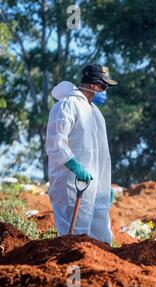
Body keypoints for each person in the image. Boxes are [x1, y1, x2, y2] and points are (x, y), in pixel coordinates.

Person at [46, 64, 118, 244]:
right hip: (71, 183)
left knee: (101, 236)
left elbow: (99, 154)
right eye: (103, 86)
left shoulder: (95, 112)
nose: (104, 91)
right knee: (75, 235)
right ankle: (73, 271)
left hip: (94, 186)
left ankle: (102, 270)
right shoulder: (67, 105)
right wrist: (73, 165)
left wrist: (104, 185)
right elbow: (56, 141)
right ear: (93, 85)